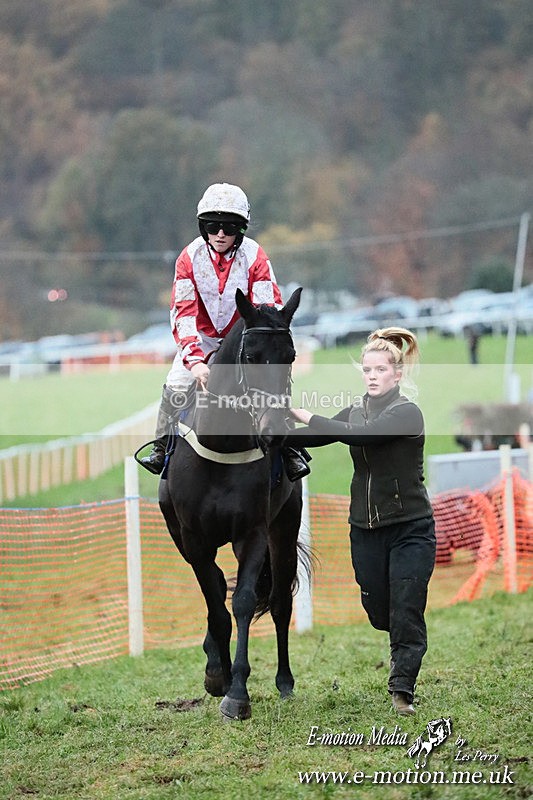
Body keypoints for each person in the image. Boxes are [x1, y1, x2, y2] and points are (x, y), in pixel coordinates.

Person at [288, 327, 436, 715]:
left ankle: (402, 689)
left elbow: (362, 436)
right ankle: (400, 636)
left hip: (411, 529)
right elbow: (319, 437)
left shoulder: (407, 413)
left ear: (397, 374)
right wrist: (274, 432)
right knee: (379, 611)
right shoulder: (353, 412)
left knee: (406, 609)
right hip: (365, 531)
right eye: (367, 369)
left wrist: (308, 414)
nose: (372, 376)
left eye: (380, 369)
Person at [138, 182, 310, 480]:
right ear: (203, 226)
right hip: (200, 338)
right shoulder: (187, 258)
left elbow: (266, 307)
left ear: (240, 229)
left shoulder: (256, 257)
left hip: (243, 339)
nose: (220, 234)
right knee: (176, 383)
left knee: (273, 382)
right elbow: (184, 312)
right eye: (213, 225)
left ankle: (289, 449)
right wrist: (195, 362)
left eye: (229, 227)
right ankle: (161, 447)